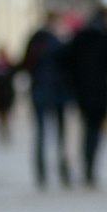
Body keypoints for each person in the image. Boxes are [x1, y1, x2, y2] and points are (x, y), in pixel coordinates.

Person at [64, 9, 107, 187]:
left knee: (86, 128)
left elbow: (67, 60)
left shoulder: (79, 37)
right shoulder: (106, 36)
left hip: (82, 91)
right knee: (96, 130)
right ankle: (91, 164)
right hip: (101, 90)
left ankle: (86, 161)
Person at [21, 13, 73, 188]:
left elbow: (25, 64)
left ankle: (41, 171)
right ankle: (62, 168)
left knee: (41, 132)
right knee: (60, 134)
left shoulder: (35, 40)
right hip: (58, 92)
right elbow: (68, 67)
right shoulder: (59, 42)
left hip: (39, 90)